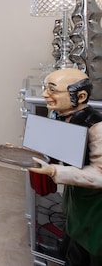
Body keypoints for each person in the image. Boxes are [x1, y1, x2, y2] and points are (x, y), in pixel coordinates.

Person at [29, 68, 102, 265]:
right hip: (75, 196)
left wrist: (54, 171)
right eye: (45, 89)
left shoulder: (96, 127)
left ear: (80, 96)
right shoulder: (59, 117)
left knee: (91, 247)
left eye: (52, 90)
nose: (45, 95)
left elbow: (100, 174)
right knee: (73, 241)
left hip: (96, 205)